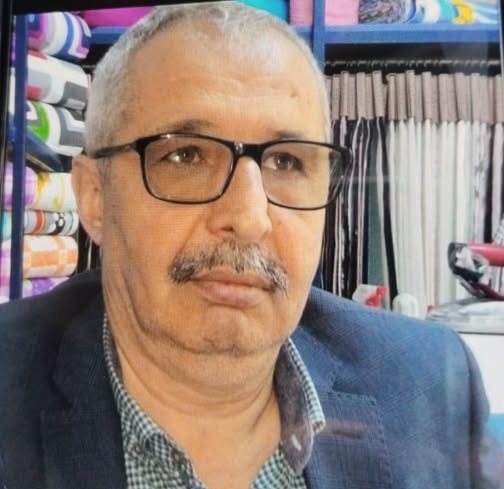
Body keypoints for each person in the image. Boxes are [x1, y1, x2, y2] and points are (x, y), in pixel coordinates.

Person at [0, 3, 502, 489]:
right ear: (94, 197)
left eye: (287, 162)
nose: (248, 218)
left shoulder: (430, 385)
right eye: (186, 155)